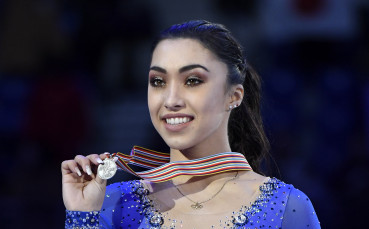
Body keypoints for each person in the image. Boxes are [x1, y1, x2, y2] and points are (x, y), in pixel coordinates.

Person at [62, 20, 320, 228]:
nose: (171, 100)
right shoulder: (113, 203)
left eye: (193, 80)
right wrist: (82, 217)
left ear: (234, 96)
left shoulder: (287, 207)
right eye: (158, 81)